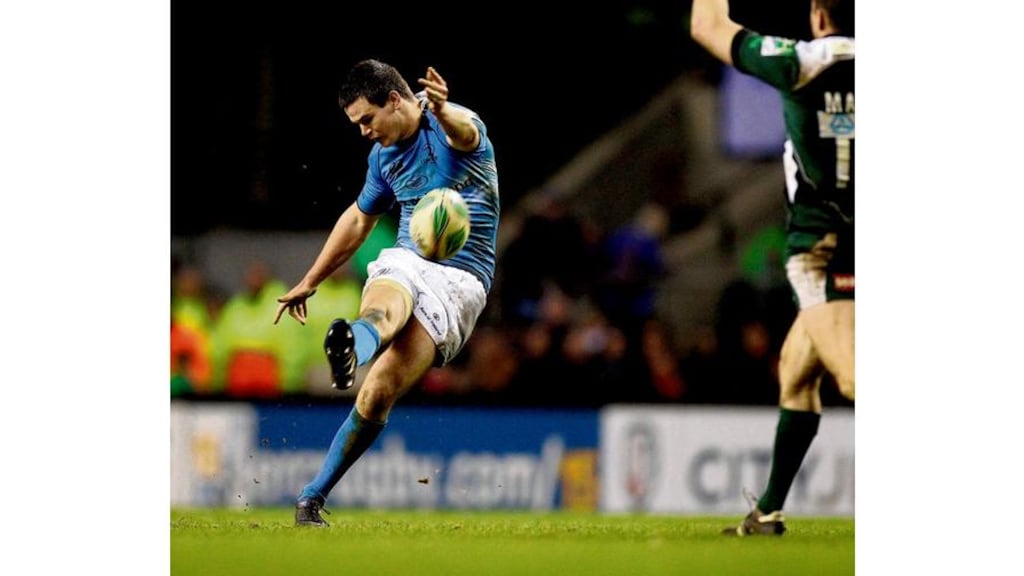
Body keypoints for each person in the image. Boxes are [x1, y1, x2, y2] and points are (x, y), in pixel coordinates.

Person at [274, 59, 500, 526]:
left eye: (366, 120)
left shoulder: (456, 123)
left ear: (394, 100)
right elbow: (359, 219)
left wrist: (441, 109)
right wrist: (310, 279)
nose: (363, 132)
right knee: (387, 299)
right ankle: (353, 346)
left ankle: (316, 487)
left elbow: (464, 134)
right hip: (408, 258)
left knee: (378, 392)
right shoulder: (383, 158)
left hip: (460, 282)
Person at [690, 0, 854, 536]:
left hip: (827, 254)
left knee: (854, 378)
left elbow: (707, 25)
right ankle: (767, 511)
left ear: (817, 14)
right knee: (797, 371)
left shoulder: (801, 61)